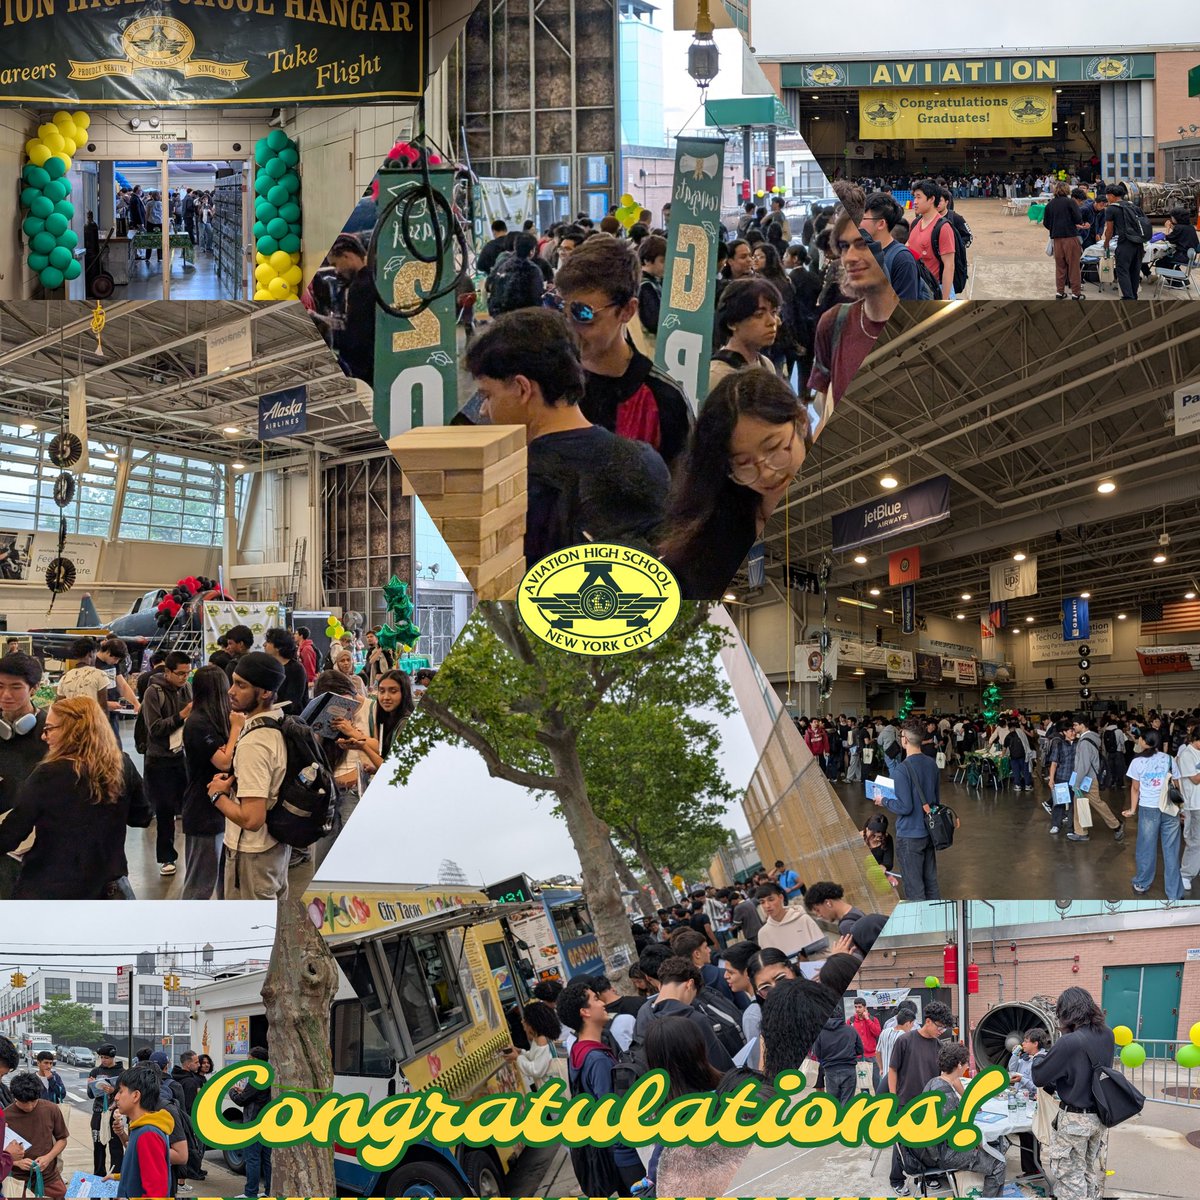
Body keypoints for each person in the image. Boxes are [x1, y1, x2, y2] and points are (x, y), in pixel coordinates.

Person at [466, 307, 670, 566]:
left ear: (522, 388)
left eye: (487, 396)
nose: (484, 410)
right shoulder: (648, 460)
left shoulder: (514, 489)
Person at [660, 369, 808, 599]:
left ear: (801, 421)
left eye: (774, 448)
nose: (766, 472)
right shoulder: (712, 540)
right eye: (743, 463)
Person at [553, 233, 693, 469]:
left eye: (583, 314)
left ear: (627, 311)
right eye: (559, 308)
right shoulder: (545, 381)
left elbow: (684, 493)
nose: (570, 327)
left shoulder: (663, 398)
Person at [0, 697, 150, 899]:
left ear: (73, 730)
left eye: (50, 729)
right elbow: (142, 817)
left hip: (53, 888)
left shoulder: (46, 774)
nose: (45, 737)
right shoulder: (123, 764)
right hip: (108, 888)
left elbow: (11, 834)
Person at [208, 652, 292, 900]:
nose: (231, 691)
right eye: (233, 682)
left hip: (252, 853)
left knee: (252, 931)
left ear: (265, 692)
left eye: (241, 685)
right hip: (275, 847)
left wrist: (216, 796)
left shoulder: (254, 743)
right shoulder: (279, 721)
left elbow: (252, 818)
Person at [555, 980, 644, 1193]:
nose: (602, 1003)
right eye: (595, 999)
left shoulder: (579, 1050)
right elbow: (611, 1112)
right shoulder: (597, 1059)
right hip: (624, 1154)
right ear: (585, 1012)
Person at [808, 212, 899, 419]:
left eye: (863, 244)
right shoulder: (833, 323)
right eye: (843, 247)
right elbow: (826, 412)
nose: (849, 257)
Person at [1033, 987, 1115, 1200]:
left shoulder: (1069, 1041)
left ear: (1066, 1012)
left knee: (1070, 1177)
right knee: (1087, 1170)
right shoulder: (1107, 1034)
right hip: (1099, 1116)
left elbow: (1039, 1077)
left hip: (1074, 1120)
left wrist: (1038, 1057)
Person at [182, 665, 242, 899]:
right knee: (200, 883)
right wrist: (237, 728)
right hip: (202, 810)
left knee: (222, 880)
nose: (232, 693)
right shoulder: (198, 723)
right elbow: (224, 762)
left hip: (219, 809)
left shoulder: (215, 720)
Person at [922, 1042, 1008, 1195]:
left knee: (994, 1146)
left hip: (933, 1148)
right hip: (943, 1153)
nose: (968, 1066)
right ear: (959, 1064)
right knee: (999, 1163)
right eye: (967, 1062)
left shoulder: (933, 1082)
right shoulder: (945, 1094)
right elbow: (951, 1135)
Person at [888, 999, 954, 1195]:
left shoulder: (938, 1046)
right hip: (906, 1101)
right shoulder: (905, 1040)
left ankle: (927, 1175)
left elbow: (947, 1075)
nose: (941, 1031)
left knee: (928, 1142)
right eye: (940, 1027)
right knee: (903, 1145)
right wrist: (892, 1098)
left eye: (944, 1028)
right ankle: (897, 1179)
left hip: (929, 1104)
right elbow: (892, 1070)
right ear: (928, 1021)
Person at [874, 718, 941, 901]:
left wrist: (884, 800)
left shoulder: (901, 770)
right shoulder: (932, 764)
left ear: (904, 740)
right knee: (931, 882)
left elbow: (905, 807)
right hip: (929, 832)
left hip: (910, 836)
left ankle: (921, 926)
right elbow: (935, 800)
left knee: (914, 886)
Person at [0, 653, 48, 897]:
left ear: (35, 688)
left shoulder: (52, 731)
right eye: (0, 686)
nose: (6, 695)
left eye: (16, 687)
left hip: (43, 846)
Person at [142, 650, 193, 875]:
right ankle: (166, 857)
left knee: (190, 806)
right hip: (159, 759)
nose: (184, 678)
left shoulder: (187, 689)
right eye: (181, 674)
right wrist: (181, 716)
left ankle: (192, 855)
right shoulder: (153, 693)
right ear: (168, 672)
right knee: (164, 811)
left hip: (183, 756)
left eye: (188, 674)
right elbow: (154, 729)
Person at [640, 957, 736, 1071]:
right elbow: (721, 1065)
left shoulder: (642, 1016)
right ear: (690, 984)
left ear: (661, 984)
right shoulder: (694, 1019)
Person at [1123, 729, 1183, 899]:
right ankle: (1174, 893)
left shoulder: (1137, 762)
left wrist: (1133, 810)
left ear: (1143, 741)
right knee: (1171, 850)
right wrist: (1181, 808)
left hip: (1149, 808)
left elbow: (1135, 788)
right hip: (1170, 808)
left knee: (1146, 847)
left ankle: (1142, 883)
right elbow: (1176, 785)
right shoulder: (1170, 759)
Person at [708, 278, 784, 394]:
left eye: (773, 312)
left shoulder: (766, 364)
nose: (772, 321)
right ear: (732, 323)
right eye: (759, 315)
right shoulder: (717, 376)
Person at [318, 233, 375, 383]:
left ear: (347, 256)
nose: (336, 271)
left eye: (336, 264)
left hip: (365, 369)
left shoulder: (362, 287)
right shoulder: (363, 282)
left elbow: (358, 336)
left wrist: (332, 334)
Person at [4, 1071, 70, 1199]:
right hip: (17, 1179)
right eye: (24, 1103)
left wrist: (48, 1157)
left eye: (33, 1101)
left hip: (48, 1176)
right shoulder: (5, 1116)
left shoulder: (51, 1109)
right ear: (15, 1098)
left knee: (62, 1195)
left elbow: (62, 1139)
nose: (29, 1107)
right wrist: (16, 1163)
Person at [112, 1063, 173, 1198]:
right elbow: (141, 1172)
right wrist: (117, 1177)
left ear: (135, 1095)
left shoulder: (148, 1133)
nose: (116, 1097)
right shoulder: (140, 1127)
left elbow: (156, 1193)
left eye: (121, 1091)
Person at [1069, 714, 1125, 843]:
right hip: (1088, 779)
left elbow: (1083, 765)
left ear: (1082, 725)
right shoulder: (1091, 738)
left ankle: (1116, 825)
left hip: (1086, 780)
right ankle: (1081, 832)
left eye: (1075, 725)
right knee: (1080, 804)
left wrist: (1076, 783)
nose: (1074, 727)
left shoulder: (1084, 742)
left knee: (1096, 803)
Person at [906, 180, 955, 299]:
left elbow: (949, 266)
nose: (915, 202)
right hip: (916, 288)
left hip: (933, 290)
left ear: (931, 199)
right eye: (914, 197)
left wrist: (944, 298)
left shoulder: (943, 228)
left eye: (919, 197)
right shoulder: (914, 223)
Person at [753, 881, 826, 959]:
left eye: (771, 899)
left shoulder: (803, 920)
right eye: (762, 902)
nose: (767, 906)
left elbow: (824, 951)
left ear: (781, 898)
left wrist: (807, 960)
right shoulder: (763, 933)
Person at [500, 1001, 563, 1091]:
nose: (522, 1022)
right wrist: (521, 1052)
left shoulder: (541, 1041)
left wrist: (518, 1058)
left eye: (525, 1019)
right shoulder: (541, 1038)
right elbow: (536, 1057)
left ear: (533, 1022)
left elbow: (536, 1070)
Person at [1043, 181, 1088, 300]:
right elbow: (1078, 219)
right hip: (1070, 238)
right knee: (1074, 267)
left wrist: (1055, 228)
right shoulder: (1070, 202)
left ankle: (1060, 292)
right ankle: (1076, 293)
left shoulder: (1050, 204)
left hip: (1056, 240)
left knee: (1060, 267)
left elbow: (1046, 223)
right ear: (1067, 190)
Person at [810, 1008, 863, 1104]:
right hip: (848, 1069)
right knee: (847, 1101)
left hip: (830, 1070)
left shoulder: (821, 1032)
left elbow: (818, 1054)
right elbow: (860, 1050)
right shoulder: (850, 1030)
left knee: (833, 1103)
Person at [87, 1046, 125, 1177]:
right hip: (98, 1112)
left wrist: (113, 1091)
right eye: (101, 1057)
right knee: (98, 1147)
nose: (103, 1060)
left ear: (113, 1057)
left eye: (106, 1058)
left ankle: (116, 1175)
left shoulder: (122, 1072)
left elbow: (126, 1093)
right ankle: (98, 1176)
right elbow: (90, 1095)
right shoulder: (95, 1071)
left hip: (115, 1113)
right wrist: (90, 1086)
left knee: (116, 1148)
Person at [1102, 185, 1144, 300]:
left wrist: (1106, 242)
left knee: (1122, 270)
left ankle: (1128, 297)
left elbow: (1109, 230)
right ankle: (1134, 296)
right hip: (1139, 244)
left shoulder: (1112, 209)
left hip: (1125, 244)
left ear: (1111, 195)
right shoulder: (1133, 206)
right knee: (1135, 271)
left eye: (1107, 196)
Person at [487, 231, 545, 315]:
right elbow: (536, 298)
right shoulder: (533, 270)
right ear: (532, 251)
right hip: (522, 317)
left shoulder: (503, 264)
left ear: (515, 247)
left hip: (499, 314)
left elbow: (490, 286)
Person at [55, 637, 112, 711]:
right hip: (92, 721)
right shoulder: (100, 675)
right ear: (91, 653)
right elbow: (103, 708)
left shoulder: (65, 678)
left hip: (73, 721)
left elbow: (60, 706)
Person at [263, 627, 308, 714]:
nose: (264, 645)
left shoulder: (296, 669)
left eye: (268, 642)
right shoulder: (269, 667)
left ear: (278, 647)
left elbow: (291, 703)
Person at [1177, 725, 1200, 892]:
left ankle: (1194, 867)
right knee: (1194, 841)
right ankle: (1186, 874)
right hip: (1194, 804)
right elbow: (1195, 779)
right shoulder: (1187, 755)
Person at [874, 1001, 916, 1094]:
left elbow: (877, 1052)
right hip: (897, 1079)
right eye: (912, 1024)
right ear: (908, 1023)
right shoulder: (906, 1037)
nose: (912, 1027)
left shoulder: (885, 1031)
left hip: (885, 1076)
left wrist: (881, 1068)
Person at [636, 234, 666, 335]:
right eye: (662, 261)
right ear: (647, 260)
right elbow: (655, 323)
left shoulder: (650, 282)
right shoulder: (646, 287)